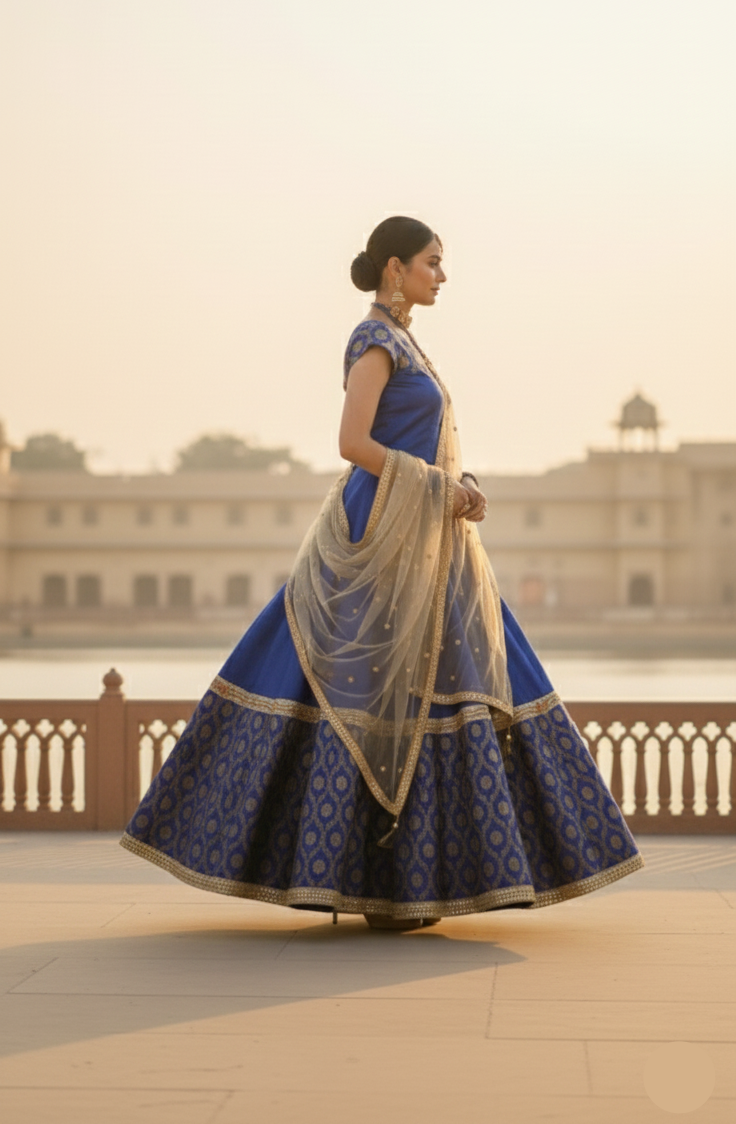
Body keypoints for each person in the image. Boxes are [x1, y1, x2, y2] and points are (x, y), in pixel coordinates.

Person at [121, 215, 644, 927]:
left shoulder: (408, 342)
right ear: (395, 268)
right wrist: (437, 486)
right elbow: (351, 441)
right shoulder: (374, 342)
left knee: (450, 678)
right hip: (378, 535)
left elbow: (421, 443)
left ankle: (410, 889)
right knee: (363, 687)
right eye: (432, 261)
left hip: (427, 534)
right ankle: (371, 886)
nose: (442, 275)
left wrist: (463, 485)